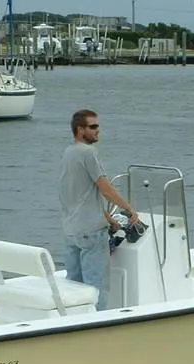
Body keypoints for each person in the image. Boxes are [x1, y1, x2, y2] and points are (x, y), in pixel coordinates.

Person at [59, 109, 139, 311]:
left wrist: (107, 217)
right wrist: (130, 209)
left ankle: (76, 322)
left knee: (74, 287)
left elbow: (79, 194)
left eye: (98, 126)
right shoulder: (88, 153)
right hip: (91, 232)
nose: (98, 130)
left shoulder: (69, 153)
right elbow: (106, 189)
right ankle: (99, 322)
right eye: (93, 126)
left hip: (71, 231)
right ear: (80, 129)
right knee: (96, 288)